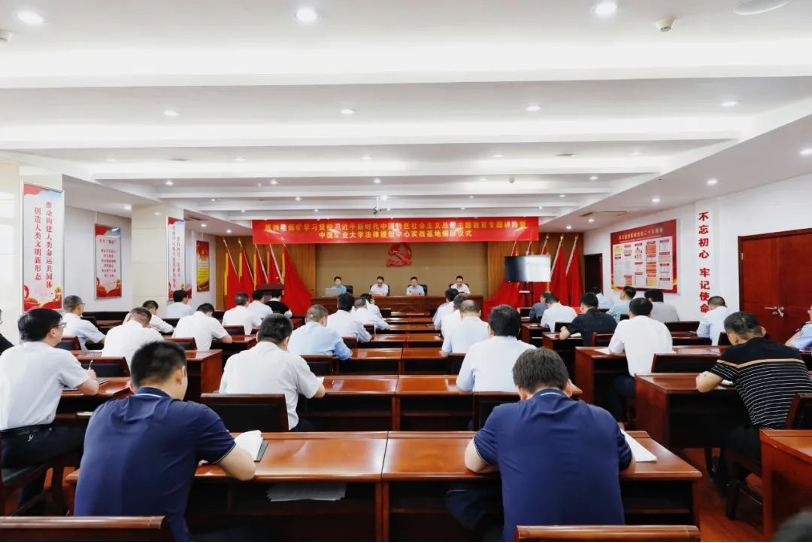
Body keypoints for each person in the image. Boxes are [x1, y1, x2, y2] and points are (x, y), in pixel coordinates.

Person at [75, 342, 255, 542]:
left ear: (132, 384)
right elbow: (245, 471)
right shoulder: (194, 415)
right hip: (157, 536)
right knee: (259, 532)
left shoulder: (102, 412)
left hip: (88, 535)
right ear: (180, 373)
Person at [458, 348, 634, 541]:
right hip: (605, 538)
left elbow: (472, 462)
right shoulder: (604, 417)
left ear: (521, 392)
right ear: (568, 387)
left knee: (462, 498)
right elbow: (629, 466)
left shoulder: (504, 416)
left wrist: (508, 461)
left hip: (531, 537)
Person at [1, 309, 99, 508]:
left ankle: (31, 505)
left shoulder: (7, 355)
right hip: (31, 443)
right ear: (52, 331)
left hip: (6, 444)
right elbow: (91, 390)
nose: (63, 330)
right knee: (94, 435)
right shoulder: (59, 356)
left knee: (55, 434)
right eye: (62, 326)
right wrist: (90, 376)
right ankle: (84, 502)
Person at [696, 312, 812, 474]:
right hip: (806, 431)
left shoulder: (735, 353)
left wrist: (702, 377)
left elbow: (703, 387)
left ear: (732, 337)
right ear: (762, 330)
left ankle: (724, 478)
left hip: (771, 437)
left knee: (726, 428)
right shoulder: (791, 351)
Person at [220, 314, 326, 432]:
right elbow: (319, 393)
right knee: (319, 426)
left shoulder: (233, 360)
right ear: (286, 341)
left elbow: (223, 395)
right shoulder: (292, 361)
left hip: (239, 432)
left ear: (257, 336)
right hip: (281, 433)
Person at [606, 298, 673, 422]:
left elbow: (613, 350)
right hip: (663, 383)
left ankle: (619, 423)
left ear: (629, 311)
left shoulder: (624, 324)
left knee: (613, 383)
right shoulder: (662, 326)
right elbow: (668, 353)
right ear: (650, 314)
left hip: (640, 385)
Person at [456, 305, 534, 392]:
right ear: (519, 330)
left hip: (485, 401)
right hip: (522, 401)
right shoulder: (532, 351)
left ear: (490, 329)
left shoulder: (475, 349)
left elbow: (462, 388)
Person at [288, 305, 352, 361]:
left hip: (298, 371)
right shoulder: (331, 333)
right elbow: (345, 355)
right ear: (324, 319)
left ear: (305, 320)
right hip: (322, 371)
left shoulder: (293, 333)